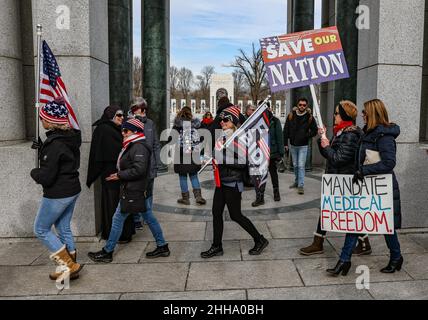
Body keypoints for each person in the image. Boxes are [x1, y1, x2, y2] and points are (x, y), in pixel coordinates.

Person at [327, 99, 403, 276]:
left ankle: (396, 257)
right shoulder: (368, 133)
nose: (362, 114)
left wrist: (364, 170)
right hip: (367, 186)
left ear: (373, 113)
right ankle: (344, 260)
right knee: (355, 223)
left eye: (364, 111)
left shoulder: (384, 136)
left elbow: (389, 163)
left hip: (381, 188)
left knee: (386, 227)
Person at [88, 118, 170, 263]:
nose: (123, 133)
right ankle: (162, 245)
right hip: (134, 189)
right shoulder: (133, 145)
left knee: (118, 218)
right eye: (123, 130)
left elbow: (139, 170)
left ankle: (108, 251)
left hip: (134, 189)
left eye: (126, 130)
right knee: (148, 217)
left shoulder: (139, 147)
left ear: (135, 131)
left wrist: (119, 175)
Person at [299, 101, 372, 256]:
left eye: (337, 113)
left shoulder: (351, 134)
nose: (334, 116)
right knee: (330, 209)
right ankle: (320, 242)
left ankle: (321, 243)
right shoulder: (341, 132)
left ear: (344, 115)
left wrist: (326, 146)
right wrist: (322, 139)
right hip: (337, 179)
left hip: (345, 179)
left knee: (345, 211)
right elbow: (330, 155)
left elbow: (338, 158)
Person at [201, 106, 269, 258]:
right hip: (221, 181)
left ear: (233, 122)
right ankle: (217, 246)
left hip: (233, 182)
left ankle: (260, 239)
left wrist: (221, 159)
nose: (222, 122)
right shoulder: (223, 136)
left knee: (236, 215)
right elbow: (219, 155)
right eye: (221, 120)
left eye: (226, 120)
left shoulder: (239, 137)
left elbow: (242, 162)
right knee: (216, 212)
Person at [31, 99, 83, 281]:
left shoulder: (55, 144)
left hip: (58, 192)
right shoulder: (70, 138)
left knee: (40, 229)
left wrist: (34, 172)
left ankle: (68, 264)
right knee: (63, 227)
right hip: (72, 188)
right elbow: (60, 161)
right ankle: (69, 269)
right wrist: (43, 149)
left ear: (51, 120)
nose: (40, 120)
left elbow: (46, 176)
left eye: (42, 117)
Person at [87, 106, 127, 240]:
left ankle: (121, 234)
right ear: (111, 116)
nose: (122, 118)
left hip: (119, 173)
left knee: (119, 203)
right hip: (110, 174)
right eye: (119, 115)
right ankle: (114, 235)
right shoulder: (104, 129)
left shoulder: (116, 129)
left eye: (122, 115)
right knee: (112, 204)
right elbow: (104, 153)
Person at [129, 98, 162, 231]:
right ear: (134, 109)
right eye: (141, 108)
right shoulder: (129, 123)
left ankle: (148, 217)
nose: (144, 111)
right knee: (136, 192)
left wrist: (157, 162)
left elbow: (156, 144)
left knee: (149, 192)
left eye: (145, 108)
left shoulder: (150, 123)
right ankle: (136, 219)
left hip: (150, 165)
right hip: (136, 165)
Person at [252, 102, 284, 207]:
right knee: (260, 175)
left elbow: (280, 137)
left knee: (273, 173)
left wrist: (280, 153)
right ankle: (260, 197)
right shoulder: (256, 120)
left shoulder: (275, 121)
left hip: (272, 152)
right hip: (259, 152)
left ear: (269, 108)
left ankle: (276, 192)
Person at [283, 98, 318, 195]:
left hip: (303, 145)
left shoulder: (309, 117)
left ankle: (301, 185)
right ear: (297, 105)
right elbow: (286, 130)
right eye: (300, 104)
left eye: (304, 105)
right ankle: (297, 181)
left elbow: (315, 130)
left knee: (301, 165)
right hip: (293, 145)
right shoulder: (291, 115)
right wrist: (285, 143)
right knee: (295, 165)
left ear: (306, 106)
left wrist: (306, 136)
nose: (302, 106)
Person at [173, 107, 206, 205]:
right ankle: (198, 197)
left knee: (182, 176)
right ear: (190, 113)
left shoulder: (177, 124)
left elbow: (171, 138)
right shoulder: (196, 124)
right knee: (193, 175)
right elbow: (202, 137)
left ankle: (185, 199)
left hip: (181, 154)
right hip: (193, 152)